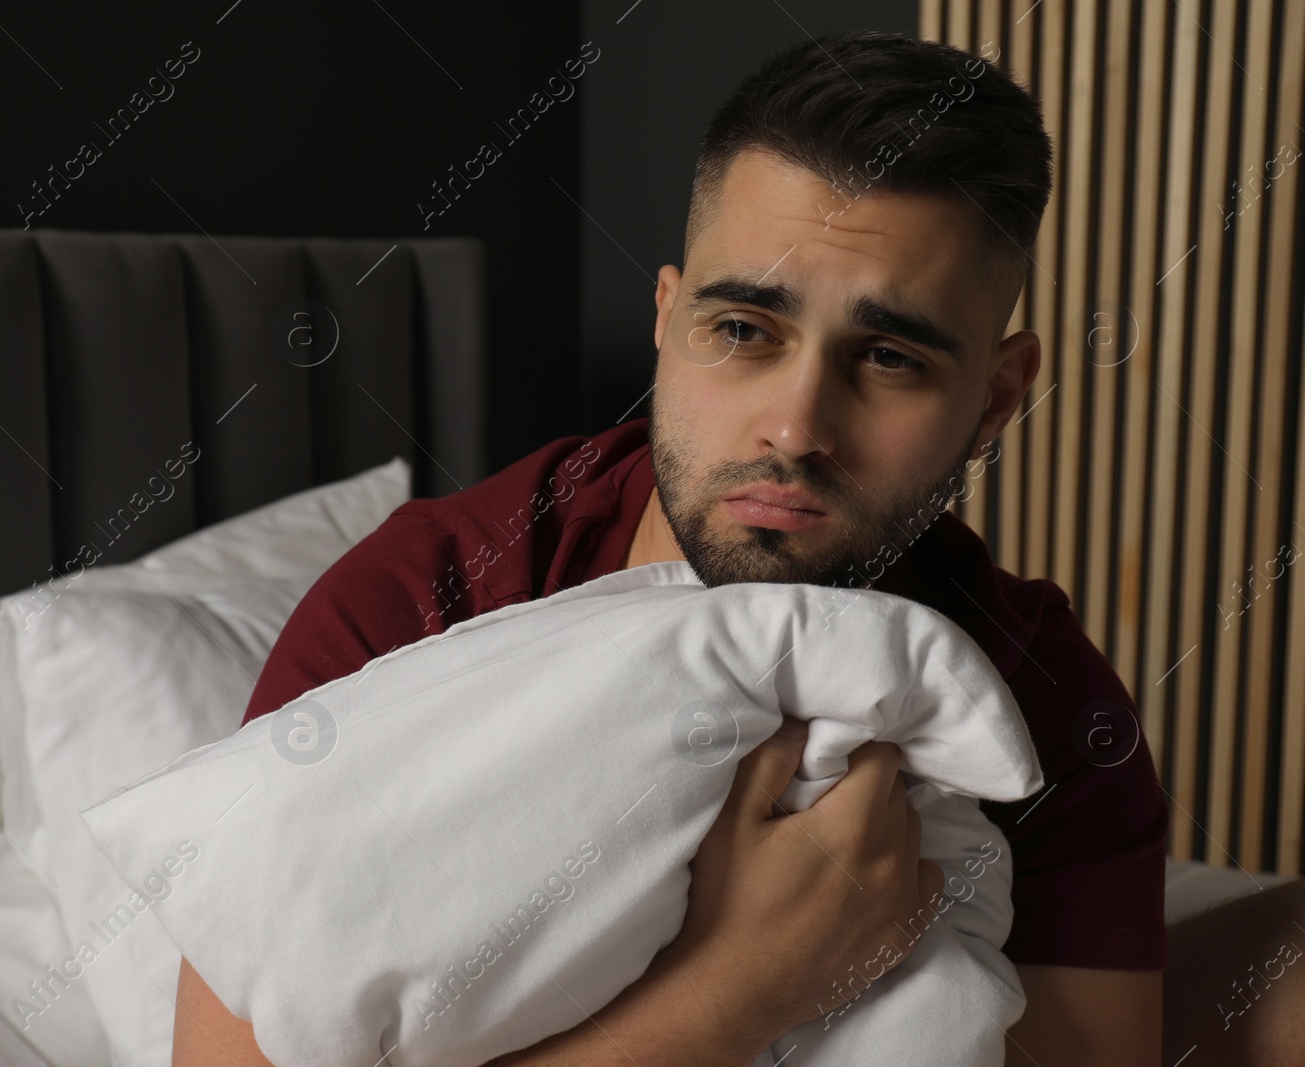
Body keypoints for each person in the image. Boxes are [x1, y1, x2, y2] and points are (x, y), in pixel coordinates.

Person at [171, 29, 1170, 1065]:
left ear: (997, 396)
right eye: (743, 328)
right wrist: (743, 988)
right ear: (667, 319)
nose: (793, 426)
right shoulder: (419, 603)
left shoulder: (1046, 708)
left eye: (887, 356)